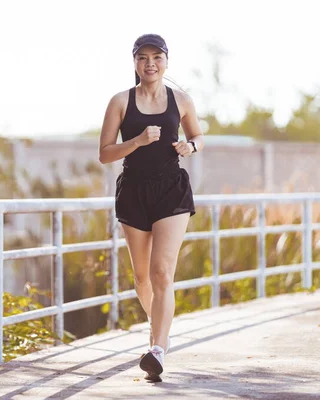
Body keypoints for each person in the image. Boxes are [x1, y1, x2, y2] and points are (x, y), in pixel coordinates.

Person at [98, 33, 204, 382]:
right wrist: (137, 141)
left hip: (171, 191)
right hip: (133, 192)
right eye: (143, 58)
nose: (150, 63)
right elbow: (104, 154)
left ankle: (157, 349)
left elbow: (199, 136)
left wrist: (191, 146)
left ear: (166, 61)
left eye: (156, 57)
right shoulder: (120, 102)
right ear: (134, 63)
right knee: (142, 278)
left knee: (162, 272)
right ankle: (159, 326)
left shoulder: (181, 100)